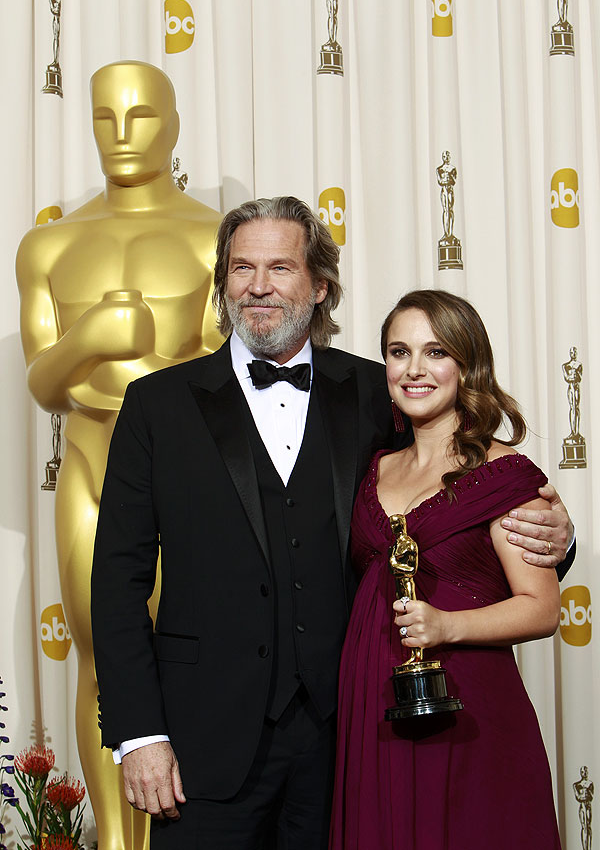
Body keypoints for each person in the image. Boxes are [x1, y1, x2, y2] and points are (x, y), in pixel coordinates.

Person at [91, 203, 573, 850]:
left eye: (281, 267)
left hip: (350, 738)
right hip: (199, 743)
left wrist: (555, 537)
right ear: (223, 283)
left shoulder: (381, 392)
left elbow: (461, 496)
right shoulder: (157, 405)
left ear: (319, 286)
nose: (258, 285)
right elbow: (116, 581)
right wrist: (139, 734)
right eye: (242, 268)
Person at [17, 60, 222, 850]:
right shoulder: (48, 246)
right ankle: (113, 842)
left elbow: (226, 375)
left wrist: (145, 361)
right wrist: (88, 341)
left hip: (187, 477)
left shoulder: (217, 238)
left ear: (173, 123)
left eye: (140, 116)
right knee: (102, 658)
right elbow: (42, 382)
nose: (123, 134)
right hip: (91, 468)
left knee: (192, 655)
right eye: (106, 117)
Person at [329, 289, 564, 849]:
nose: (414, 370)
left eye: (435, 352)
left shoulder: (502, 472)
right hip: (372, 708)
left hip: (467, 708)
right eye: (398, 351)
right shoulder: (373, 468)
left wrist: (446, 626)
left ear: (467, 364)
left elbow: (544, 608)